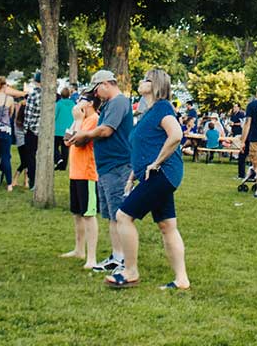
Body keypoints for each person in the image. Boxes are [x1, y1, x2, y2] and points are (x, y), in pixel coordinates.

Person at [106, 69, 189, 290]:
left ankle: (130, 271)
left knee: (123, 216)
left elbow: (176, 135)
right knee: (167, 225)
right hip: (155, 175)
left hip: (162, 174)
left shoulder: (162, 107)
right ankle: (182, 280)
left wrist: (157, 162)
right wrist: (133, 175)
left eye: (146, 79)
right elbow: (143, 147)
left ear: (155, 84)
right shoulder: (149, 112)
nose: (141, 82)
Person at [65, 69, 131, 274]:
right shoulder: (111, 104)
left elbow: (106, 130)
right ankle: (116, 256)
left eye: (96, 89)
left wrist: (84, 134)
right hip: (106, 167)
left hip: (117, 165)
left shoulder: (119, 102)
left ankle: (123, 260)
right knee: (112, 215)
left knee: (119, 215)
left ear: (105, 84)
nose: (96, 95)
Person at [61, 92, 99, 269]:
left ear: (90, 103)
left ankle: (91, 257)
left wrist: (78, 120)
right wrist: (76, 120)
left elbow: (78, 141)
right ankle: (79, 249)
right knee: (77, 213)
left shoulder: (94, 120)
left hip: (88, 173)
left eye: (81, 100)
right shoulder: (79, 119)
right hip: (75, 172)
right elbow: (67, 140)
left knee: (88, 215)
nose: (77, 104)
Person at [16, 72, 42, 191]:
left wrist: (26, 129)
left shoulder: (33, 95)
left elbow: (28, 114)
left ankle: (33, 181)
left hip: (32, 130)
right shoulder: (48, 95)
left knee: (30, 157)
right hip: (42, 130)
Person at [54, 86, 75, 170]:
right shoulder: (73, 104)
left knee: (54, 147)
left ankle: (59, 159)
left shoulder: (58, 104)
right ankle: (63, 166)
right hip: (69, 129)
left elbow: (55, 115)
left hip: (58, 129)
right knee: (65, 149)